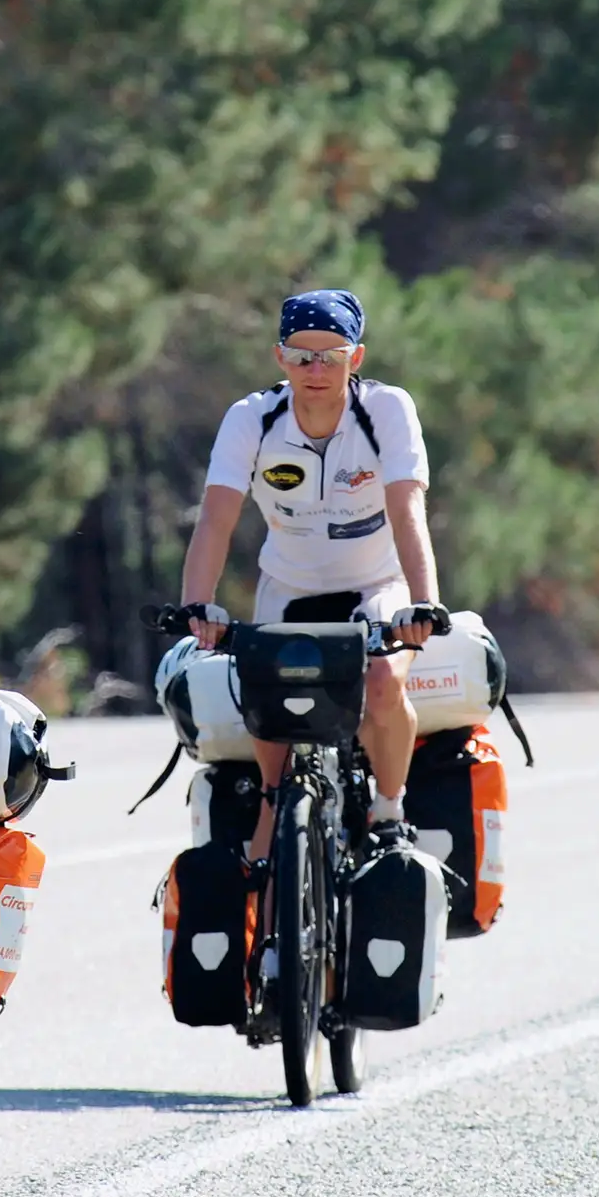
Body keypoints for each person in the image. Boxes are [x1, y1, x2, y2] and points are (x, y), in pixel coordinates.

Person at [175, 287, 448, 865]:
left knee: (380, 683)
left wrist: (422, 604)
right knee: (269, 713)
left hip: (377, 587)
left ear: (358, 357)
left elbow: (407, 511)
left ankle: (390, 811)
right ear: (280, 358)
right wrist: (196, 604)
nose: (315, 369)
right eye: (302, 355)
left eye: (331, 354)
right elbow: (217, 520)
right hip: (290, 590)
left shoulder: (387, 410)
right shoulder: (252, 418)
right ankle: (278, 816)